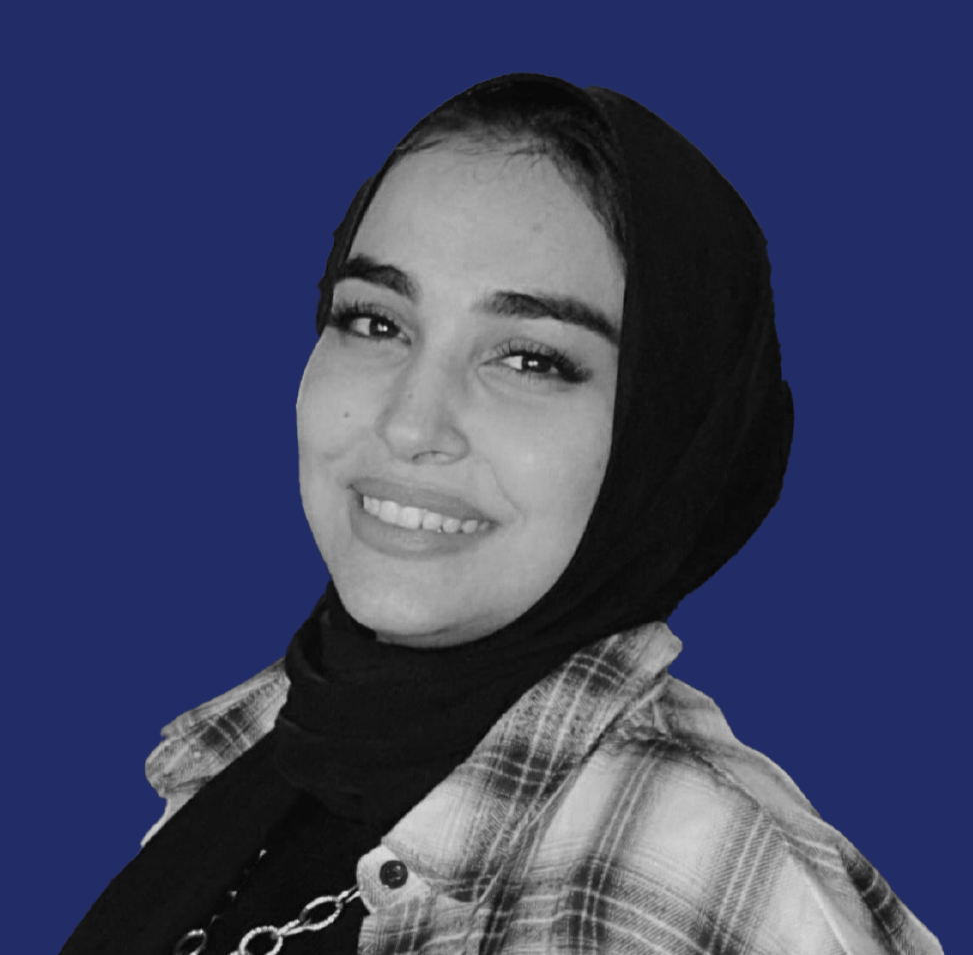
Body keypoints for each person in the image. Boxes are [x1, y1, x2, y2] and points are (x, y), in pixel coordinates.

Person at [62, 74, 944, 954]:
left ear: (665, 435)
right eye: (375, 321)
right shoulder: (251, 757)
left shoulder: (702, 883)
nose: (410, 424)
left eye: (528, 359)